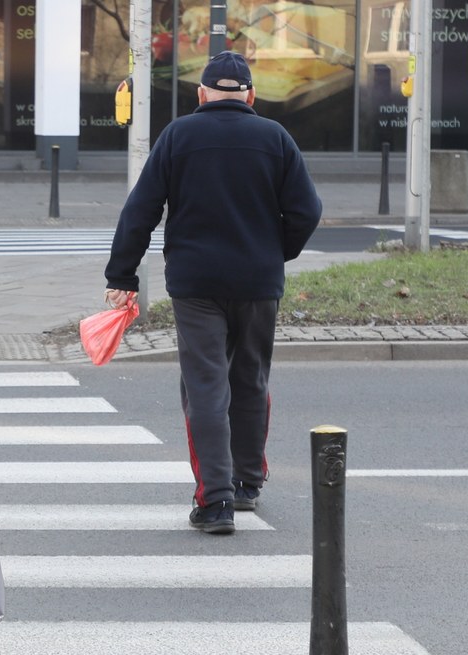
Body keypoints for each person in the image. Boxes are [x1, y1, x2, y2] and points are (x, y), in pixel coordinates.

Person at [102, 51, 322, 535]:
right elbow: (307, 211)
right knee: (250, 379)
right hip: (258, 282)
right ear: (251, 96)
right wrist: (274, 252)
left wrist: (122, 276)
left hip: (196, 283)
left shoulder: (179, 135)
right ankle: (247, 482)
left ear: (201, 94)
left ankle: (215, 501)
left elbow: (141, 210)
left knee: (205, 385)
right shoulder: (275, 138)